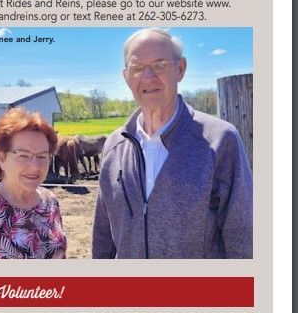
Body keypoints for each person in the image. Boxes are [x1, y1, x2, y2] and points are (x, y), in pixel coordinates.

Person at [92, 28, 253, 259]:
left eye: (159, 65)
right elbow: (103, 235)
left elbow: (242, 236)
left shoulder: (219, 140)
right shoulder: (114, 146)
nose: (148, 77)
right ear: (127, 77)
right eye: (137, 68)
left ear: (180, 69)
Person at [0, 107, 67, 258]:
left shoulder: (50, 202)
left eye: (42, 156)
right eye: (23, 155)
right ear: (2, 158)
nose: (35, 166)